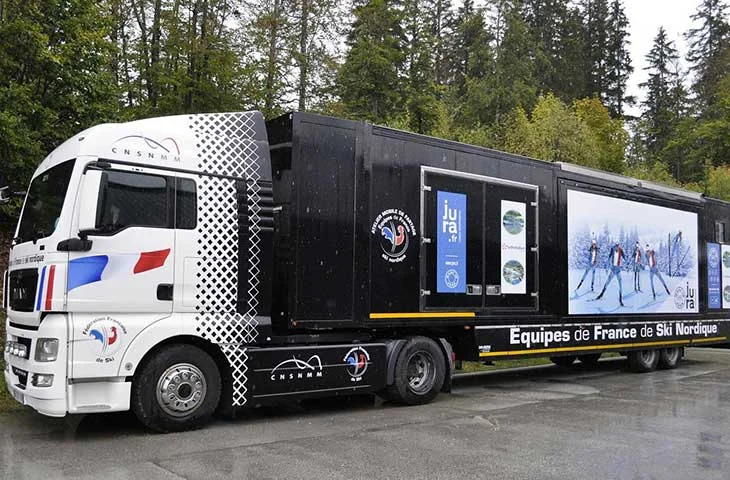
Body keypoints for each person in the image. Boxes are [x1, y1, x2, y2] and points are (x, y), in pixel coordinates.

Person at [595, 241, 626, 306]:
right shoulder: (612, 249)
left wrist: (627, 262)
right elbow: (609, 258)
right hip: (613, 269)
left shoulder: (621, 250)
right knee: (607, 282)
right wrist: (606, 265)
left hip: (618, 270)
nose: (617, 248)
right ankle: (601, 294)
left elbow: (624, 257)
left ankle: (620, 299)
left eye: (618, 246)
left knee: (620, 284)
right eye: (616, 246)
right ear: (615, 246)